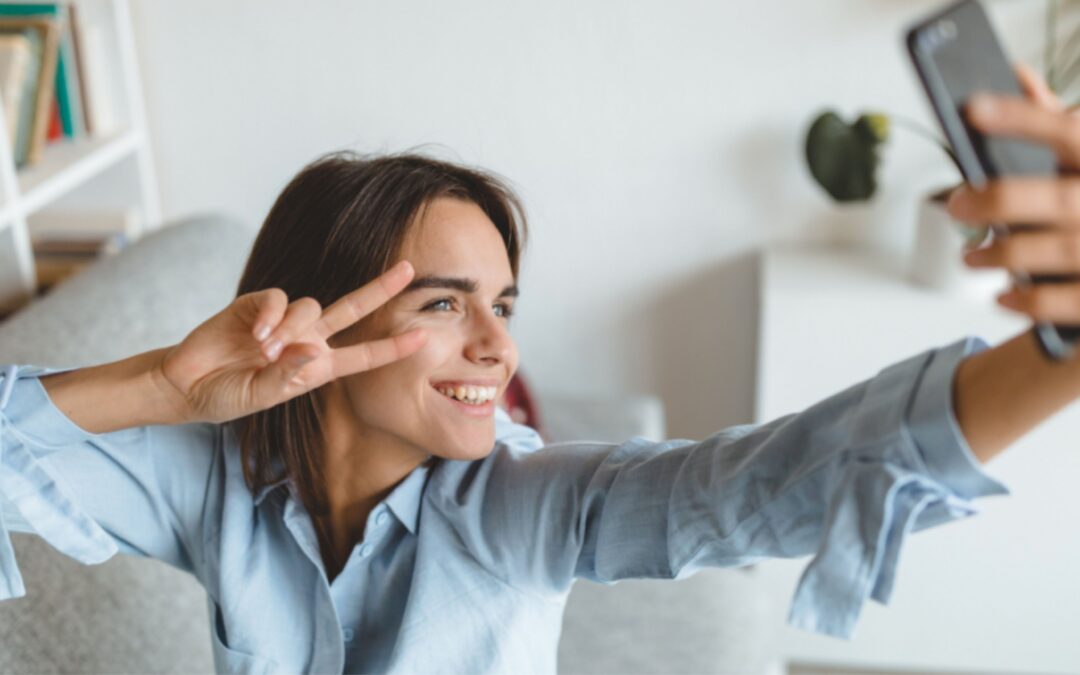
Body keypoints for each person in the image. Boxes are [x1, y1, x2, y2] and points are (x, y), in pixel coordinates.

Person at [1, 66, 1079, 674]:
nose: (500, 346)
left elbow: (759, 486)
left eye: (503, 306)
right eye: (444, 301)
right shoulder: (218, 480)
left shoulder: (512, 509)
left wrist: (1065, 346)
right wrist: (164, 388)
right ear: (316, 323)